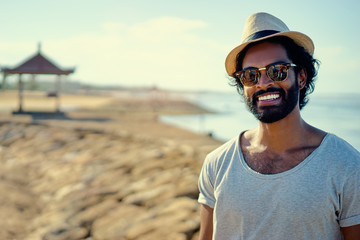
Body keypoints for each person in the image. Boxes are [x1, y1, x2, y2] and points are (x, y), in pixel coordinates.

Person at [198, 12, 360, 240]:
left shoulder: (347, 165)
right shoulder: (217, 164)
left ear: (301, 77)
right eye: (250, 75)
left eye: (278, 71)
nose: (264, 83)